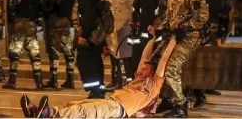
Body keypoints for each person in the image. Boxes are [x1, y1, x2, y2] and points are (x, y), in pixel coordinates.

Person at [20, 26, 177, 118]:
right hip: (111, 101)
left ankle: (47, 114)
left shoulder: (154, 84)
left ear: (153, 72)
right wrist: (153, 38)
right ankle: (38, 112)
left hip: (118, 109)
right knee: (75, 104)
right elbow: (145, 56)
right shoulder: (139, 78)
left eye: (145, 68)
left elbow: (163, 61)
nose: (141, 69)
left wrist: (174, 40)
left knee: (83, 111)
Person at [156, 0, 209, 117]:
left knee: (171, 67)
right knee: (161, 63)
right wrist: (161, 28)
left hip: (190, 36)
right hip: (174, 36)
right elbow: (169, 16)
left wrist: (184, 27)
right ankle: (167, 99)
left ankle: (180, 105)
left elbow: (202, 17)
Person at [2, 0, 46, 89]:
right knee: (34, 53)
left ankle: (12, 81)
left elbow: (11, 8)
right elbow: (43, 9)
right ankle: (39, 82)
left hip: (19, 23)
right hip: (31, 23)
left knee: (15, 52)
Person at [68, 0, 106, 98]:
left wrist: (84, 36)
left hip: (90, 36)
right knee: (94, 61)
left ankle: (95, 90)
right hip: (94, 36)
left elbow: (90, 17)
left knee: (85, 61)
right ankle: (99, 89)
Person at [43, 0, 76, 89]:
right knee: (68, 52)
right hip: (66, 22)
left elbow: (49, 6)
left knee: (54, 52)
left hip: (55, 20)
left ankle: (54, 79)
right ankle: (70, 79)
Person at [129, 0, 159, 80]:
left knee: (141, 63)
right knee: (133, 63)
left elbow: (148, 13)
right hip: (137, 33)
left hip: (144, 34)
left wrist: (139, 25)